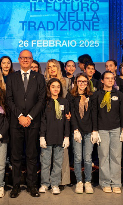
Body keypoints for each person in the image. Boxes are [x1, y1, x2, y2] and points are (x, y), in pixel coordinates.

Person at [6, 50, 46, 198]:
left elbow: (41, 100)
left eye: (28, 58)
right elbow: (9, 99)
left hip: (33, 122)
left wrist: (29, 116)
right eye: (23, 58)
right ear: (18, 59)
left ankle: (31, 185)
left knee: (31, 155)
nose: (25, 60)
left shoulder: (39, 78)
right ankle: (15, 186)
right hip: (16, 123)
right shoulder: (11, 77)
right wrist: (20, 116)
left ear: (32, 60)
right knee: (15, 156)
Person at [92, 71, 123, 194]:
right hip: (102, 129)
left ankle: (116, 182)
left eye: (112, 78)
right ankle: (105, 182)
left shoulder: (119, 94)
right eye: (107, 78)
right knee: (104, 156)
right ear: (102, 80)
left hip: (116, 129)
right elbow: (94, 114)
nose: (110, 80)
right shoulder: (96, 95)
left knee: (116, 157)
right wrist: (95, 131)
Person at [39, 78, 70, 195]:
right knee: (45, 162)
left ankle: (55, 184)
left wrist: (67, 136)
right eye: (53, 86)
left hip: (60, 137)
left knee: (58, 162)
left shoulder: (64, 102)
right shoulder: (45, 103)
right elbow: (42, 121)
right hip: (47, 137)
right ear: (49, 88)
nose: (56, 89)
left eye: (58, 86)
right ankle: (44, 184)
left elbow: (67, 120)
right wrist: (42, 136)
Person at [44, 59, 71, 187]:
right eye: (49, 67)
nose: (52, 69)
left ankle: (59, 182)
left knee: (60, 157)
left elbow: (68, 99)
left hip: (61, 119)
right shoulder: (42, 82)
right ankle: (45, 183)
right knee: (46, 158)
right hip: (48, 120)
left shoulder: (65, 81)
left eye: (54, 66)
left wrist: (68, 113)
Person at [67, 73, 95, 194]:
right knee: (78, 158)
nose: (82, 84)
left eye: (84, 81)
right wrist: (75, 129)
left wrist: (95, 130)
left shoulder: (91, 96)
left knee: (88, 159)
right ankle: (79, 181)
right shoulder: (71, 96)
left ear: (87, 83)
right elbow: (71, 114)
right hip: (77, 131)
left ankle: (88, 181)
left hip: (89, 131)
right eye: (80, 81)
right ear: (76, 82)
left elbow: (94, 114)